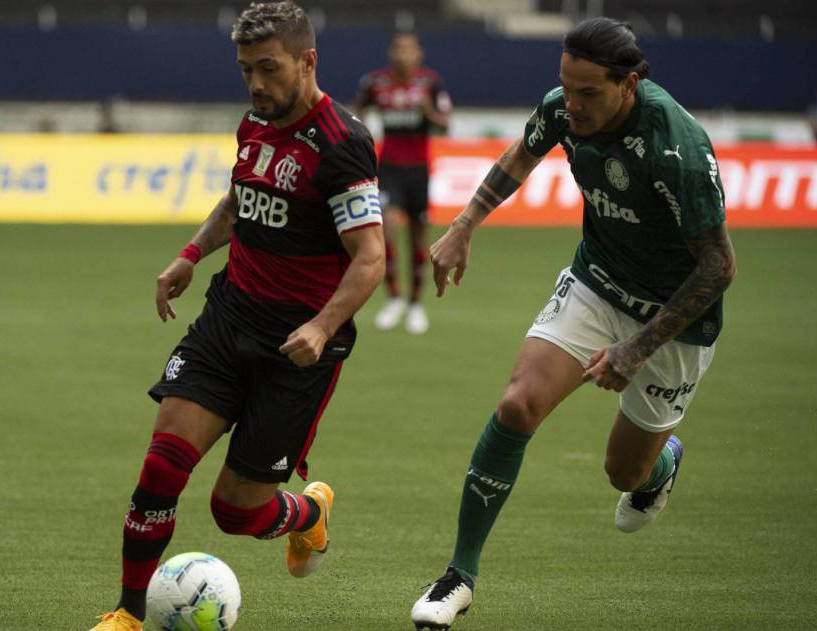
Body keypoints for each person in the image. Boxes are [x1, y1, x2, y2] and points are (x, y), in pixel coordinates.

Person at [410, 18, 737, 628]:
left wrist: (637, 348)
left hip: (676, 319)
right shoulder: (563, 108)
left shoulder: (677, 150)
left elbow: (719, 268)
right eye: (566, 87)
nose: (573, 104)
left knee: (624, 473)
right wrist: (464, 224)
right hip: (598, 281)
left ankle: (661, 464)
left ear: (629, 84)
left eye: (589, 92)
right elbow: (521, 155)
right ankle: (458, 577)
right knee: (516, 407)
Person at [91, 3, 385, 630]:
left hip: (296, 351)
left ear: (308, 61)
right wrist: (191, 254)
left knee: (236, 513)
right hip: (228, 321)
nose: (256, 83)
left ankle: (306, 515)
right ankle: (127, 613)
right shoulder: (254, 122)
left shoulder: (343, 146)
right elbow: (240, 199)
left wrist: (321, 326)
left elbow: (370, 259)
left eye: (269, 68)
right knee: (161, 468)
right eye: (246, 69)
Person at [354, 31, 451, 334]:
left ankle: (415, 304)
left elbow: (445, 125)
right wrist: (363, 136)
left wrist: (428, 112)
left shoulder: (430, 83)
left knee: (418, 237)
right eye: (399, 49)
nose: (403, 54)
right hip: (389, 169)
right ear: (391, 52)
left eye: (409, 49)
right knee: (387, 228)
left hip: (419, 171)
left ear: (418, 54)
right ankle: (394, 298)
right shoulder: (376, 82)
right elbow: (359, 111)